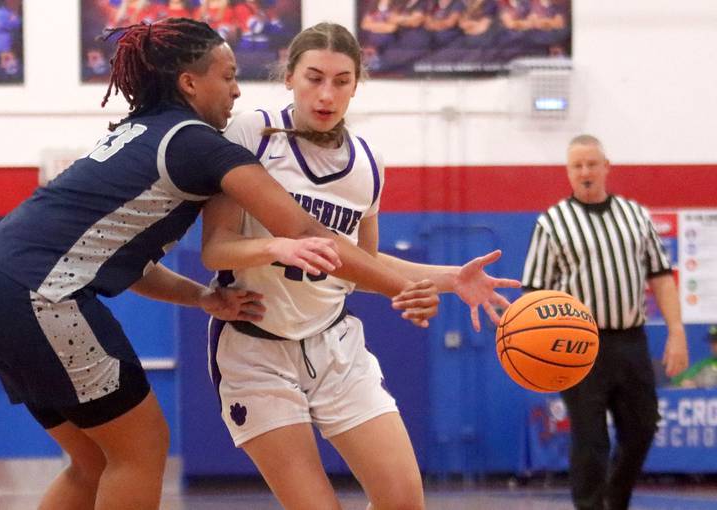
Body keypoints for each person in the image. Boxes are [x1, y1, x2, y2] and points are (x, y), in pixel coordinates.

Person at [0, 18, 437, 510]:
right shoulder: (200, 142)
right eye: (227, 77)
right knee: (141, 449)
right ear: (190, 82)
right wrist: (402, 285)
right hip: (39, 295)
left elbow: (133, 266)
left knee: (93, 462)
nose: (235, 89)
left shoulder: (144, 133)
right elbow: (306, 232)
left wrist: (203, 297)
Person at [201, 22, 521, 509]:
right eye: (314, 77)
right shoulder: (253, 133)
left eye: (341, 80)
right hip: (254, 349)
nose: (326, 93)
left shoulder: (368, 164)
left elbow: (363, 264)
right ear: (289, 77)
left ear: (357, 84)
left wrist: (451, 280)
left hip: (334, 345)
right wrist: (276, 247)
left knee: (404, 501)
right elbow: (216, 248)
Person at [521, 134, 690, 510]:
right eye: (577, 165)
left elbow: (661, 276)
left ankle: (616, 498)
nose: (585, 171)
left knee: (644, 427)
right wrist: (541, 350)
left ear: (606, 167)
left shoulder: (635, 215)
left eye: (591, 164)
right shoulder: (552, 223)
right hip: (578, 346)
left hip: (630, 339)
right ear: (568, 172)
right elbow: (534, 294)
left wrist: (676, 333)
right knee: (591, 438)